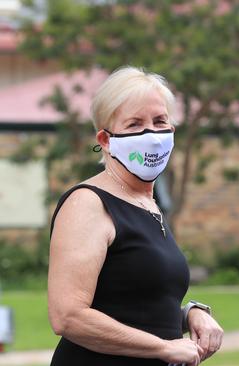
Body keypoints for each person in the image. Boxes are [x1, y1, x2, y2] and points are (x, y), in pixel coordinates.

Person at [48, 66, 224, 366]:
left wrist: (192, 314)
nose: (152, 135)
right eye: (134, 124)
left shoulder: (147, 204)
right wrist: (163, 348)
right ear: (105, 139)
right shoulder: (88, 203)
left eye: (160, 121)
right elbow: (68, 316)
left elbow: (138, 307)